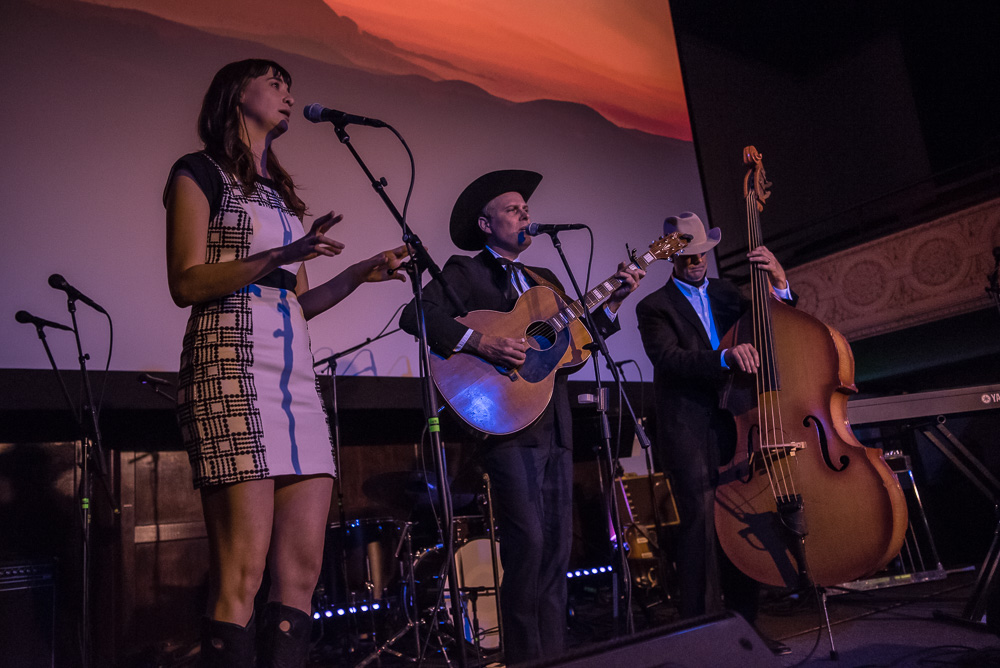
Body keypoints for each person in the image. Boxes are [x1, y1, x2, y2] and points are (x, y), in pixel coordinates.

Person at [163, 59, 409, 668]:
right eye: (273, 83)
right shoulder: (198, 172)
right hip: (230, 368)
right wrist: (286, 249)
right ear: (233, 96)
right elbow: (187, 282)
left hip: (294, 378)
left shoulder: (279, 193)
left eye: (289, 85)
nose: (288, 94)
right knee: (241, 574)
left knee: (300, 574)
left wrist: (356, 274)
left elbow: (296, 302)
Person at [399, 170, 644, 664]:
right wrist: (483, 341)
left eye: (526, 208)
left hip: (555, 422)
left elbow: (573, 344)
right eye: (513, 209)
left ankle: (552, 658)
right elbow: (415, 316)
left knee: (555, 549)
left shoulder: (545, 283)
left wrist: (615, 297)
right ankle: (525, 658)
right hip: (506, 426)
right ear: (486, 225)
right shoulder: (464, 272)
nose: (525, 214)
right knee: (528, 543)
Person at [634, 212, 794, 655]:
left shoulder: (727, 293)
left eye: (701, 254)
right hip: (688, 426)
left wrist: (779, 283)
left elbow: (776, 326)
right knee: (702, 525)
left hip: (736, 421)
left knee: (740, 515)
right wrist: (724, 357)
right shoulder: (653, 307)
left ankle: (745, 628)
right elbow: (670, 360)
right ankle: (701, 637)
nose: (695, 262)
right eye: (686, 256)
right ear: (672, 258)